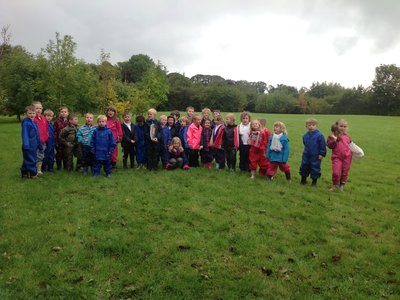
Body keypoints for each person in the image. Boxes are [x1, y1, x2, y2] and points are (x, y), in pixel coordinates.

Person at [327, 119, 352, 191]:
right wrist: (334, 140)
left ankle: (342, 184)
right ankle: (335, 185)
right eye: (341, 126)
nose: (343, 128)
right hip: (337, 157)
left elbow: (351, 145)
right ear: (337, 126)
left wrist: (358, 152)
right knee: (336, 173)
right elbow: (329, 146)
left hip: (347, 157)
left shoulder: (347, 137)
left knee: (345, 172)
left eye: (345, 126)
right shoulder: (332, 136)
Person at [299, 118, 326, 186]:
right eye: (309, 125)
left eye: (313, 125)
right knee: (304, 166)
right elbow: (305, 143)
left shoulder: (319, 135)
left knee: (315, 168)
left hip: (315, 156)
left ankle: (314, 182)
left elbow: (322, 145)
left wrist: (321, 154)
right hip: (306, 154)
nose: (311, 126)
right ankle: (303, 180)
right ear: (306, 126)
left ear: (316, 126)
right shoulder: (305, 135)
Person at [20, 105, 41, 178]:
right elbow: (25, 134)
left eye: (33, 113)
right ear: (26, 113)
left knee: (27, 159)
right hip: (28, 145)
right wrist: (26, 145)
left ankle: (24, 172)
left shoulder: (34, 122)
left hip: (34, 145)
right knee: (31, 159)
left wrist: (39, 144)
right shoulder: (26, 123)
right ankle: (33, 174)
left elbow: (37, 134)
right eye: (30, 113)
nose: (32, 115)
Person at [32, 101, 49, 174]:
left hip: (43, 141)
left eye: (40, 108)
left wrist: (46, 136)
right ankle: (34, 169)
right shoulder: (33, 118)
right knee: (35, 155)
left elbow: (45, 128)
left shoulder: (42, 117)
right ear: (33, 109)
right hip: (35, 141)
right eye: (36, 108)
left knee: (41, 155)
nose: (38, 110)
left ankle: (39, 169)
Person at [53, 106, 69, 170]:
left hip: (67, 141)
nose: (63, 113)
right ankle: (59, 167)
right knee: (59, 154)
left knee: (66, 154)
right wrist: (55, 140)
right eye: (62, 112)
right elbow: (54, 131)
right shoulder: (57, 121)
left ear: (68, 113)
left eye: (65, 112)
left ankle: (65, 167)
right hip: (59, 141)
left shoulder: (69, 121)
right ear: (59, 113)